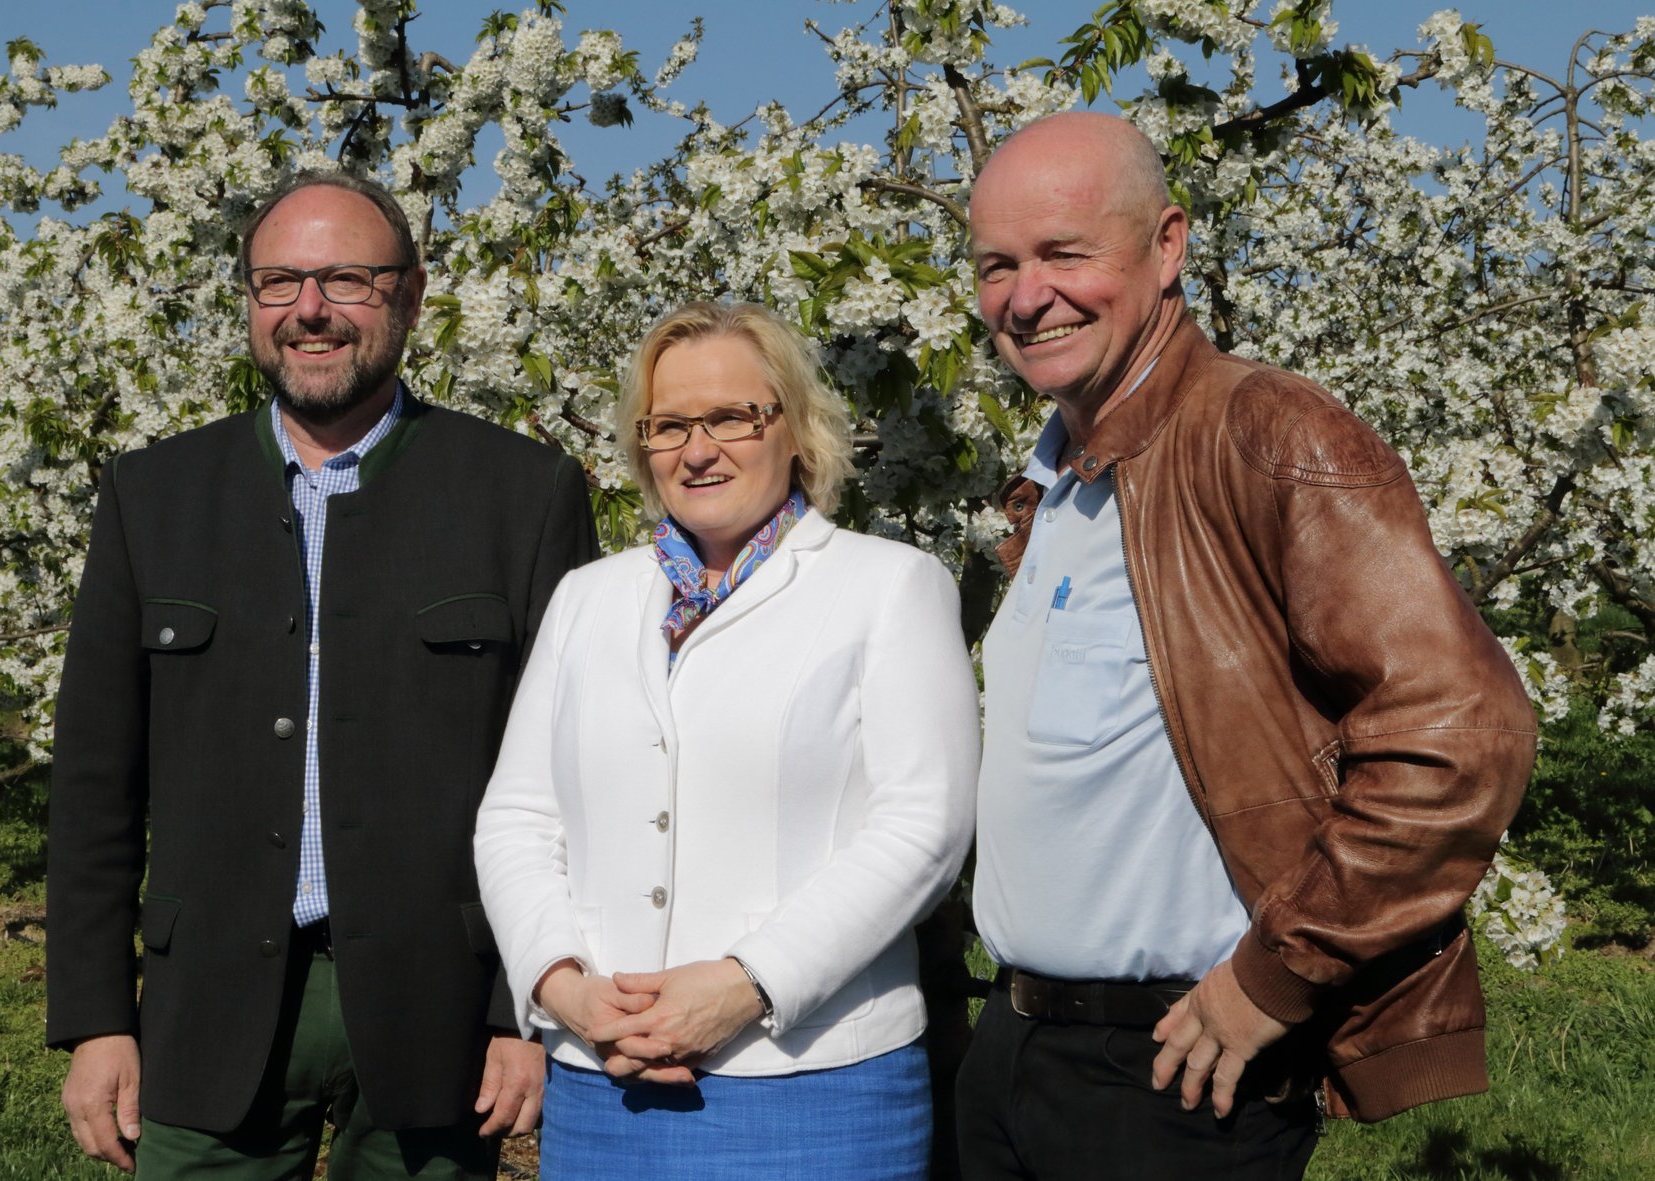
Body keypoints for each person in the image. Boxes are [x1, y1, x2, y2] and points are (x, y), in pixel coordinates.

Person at [955, 112, 1537, 1180]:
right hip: (1012, 1050)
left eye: (1064, 254)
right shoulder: (1055, 483)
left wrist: (1274, 977)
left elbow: (1461, 735)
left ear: (1167, 244)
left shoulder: (1266, 435)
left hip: (1170, 1068)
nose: (1026, 297)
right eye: (998, 265)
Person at [45, 170, 598, 1179]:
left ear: (410, 296)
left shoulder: (523, 494)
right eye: (278, 282)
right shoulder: (151, 494)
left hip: (442, 1011)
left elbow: (569, 780)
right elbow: (94, 784)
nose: (309, 309)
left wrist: (520, 1008)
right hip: (205, 1004)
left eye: (346, 279)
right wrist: (95, 1017)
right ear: (250, 300)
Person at [473, 301, 979, 1180]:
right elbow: (517, 818)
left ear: (795, 429)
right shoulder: (587, 598)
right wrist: (563, 987)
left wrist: (747, 982)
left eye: (732, 417)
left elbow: (923, 828)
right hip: (601, 1084)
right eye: (669, 424)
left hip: (814, 1087)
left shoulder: (889, 586)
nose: (697, 449)